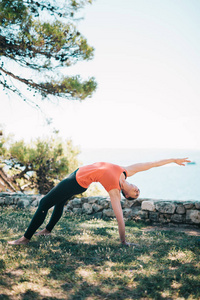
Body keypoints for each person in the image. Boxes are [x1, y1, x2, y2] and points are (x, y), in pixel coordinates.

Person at [8, 157, 190, 246]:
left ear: (126, 195)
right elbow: (151, 164)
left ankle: (25, 238)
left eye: (135, 194)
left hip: (76, 182)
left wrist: (123, 241)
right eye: (138, 190)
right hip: (77, 175)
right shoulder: (126, 171)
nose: (136, 190)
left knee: (44, 204)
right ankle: (47, 230)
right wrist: (173, 160)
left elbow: (120, 219)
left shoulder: (114, 190)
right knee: (59, 203)